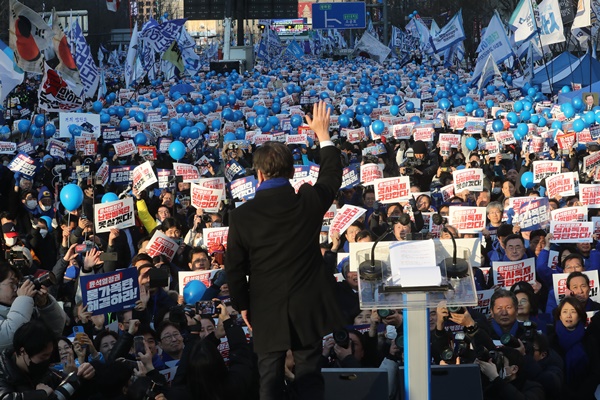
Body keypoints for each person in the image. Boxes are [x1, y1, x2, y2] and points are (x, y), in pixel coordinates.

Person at [226, 101, 344, 400]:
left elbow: (235, 269)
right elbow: (330, 178)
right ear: (291, 173)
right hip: (307, 308)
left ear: (259, 175)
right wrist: (323, 136)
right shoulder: (307, 202)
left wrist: (242, 305)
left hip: (265, 309)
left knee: (269, 382)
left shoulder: (242, 216)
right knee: (309, 377)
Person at [0, 319, 96, 398]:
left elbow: (71, 388)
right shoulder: (3, 373)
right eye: (43, 356)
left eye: (49, 355)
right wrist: (41, 394)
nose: (47, 360)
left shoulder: (48, 374)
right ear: (22, 352)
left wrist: (83, 374)